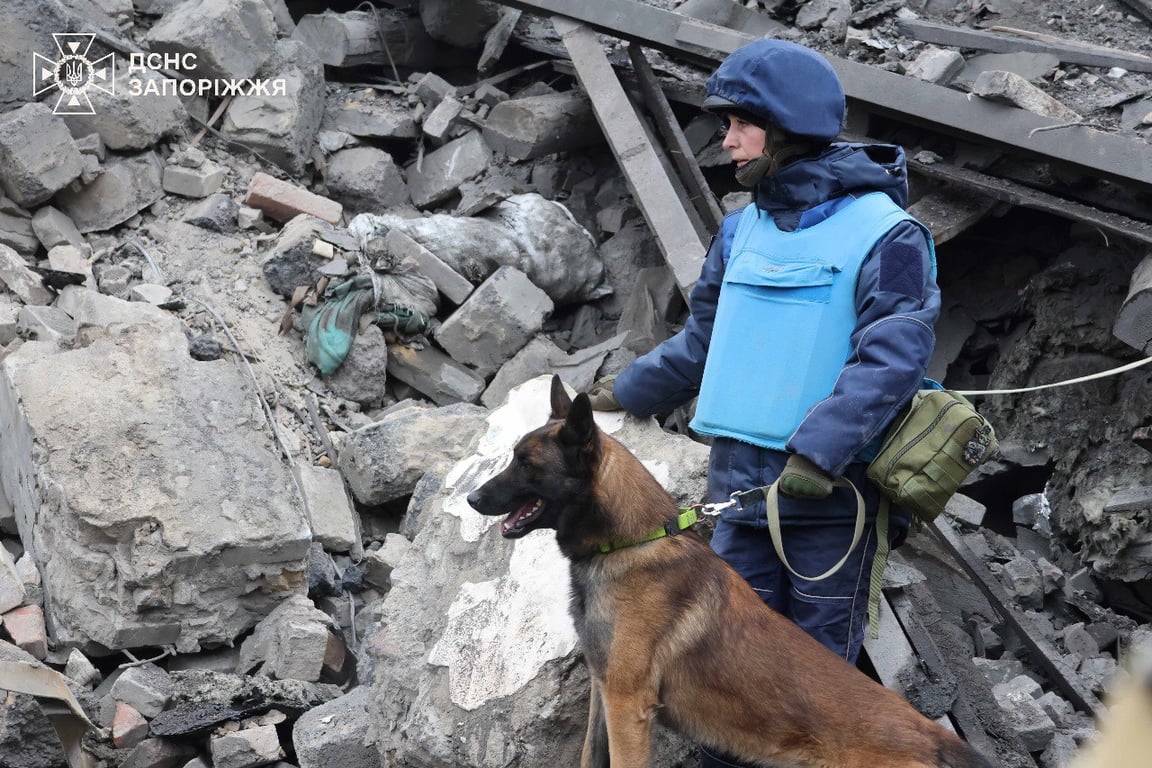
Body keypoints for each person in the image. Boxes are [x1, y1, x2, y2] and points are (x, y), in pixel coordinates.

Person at [587, 38, 940, 768]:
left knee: (813, 693)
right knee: (722, 680)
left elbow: (893, 357)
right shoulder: (740, 230)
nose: (726, 139)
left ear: (785, 127)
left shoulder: (889, 234)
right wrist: (620, 393)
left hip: (830, 503)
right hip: (738, 495)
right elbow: (703, 343)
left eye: (740, 122)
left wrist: (819, 450)